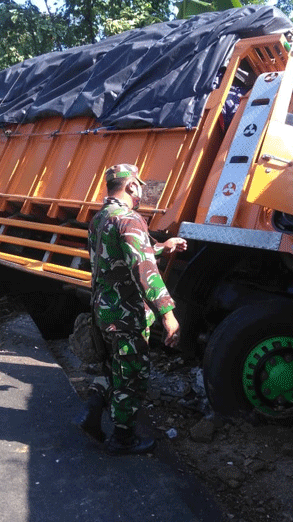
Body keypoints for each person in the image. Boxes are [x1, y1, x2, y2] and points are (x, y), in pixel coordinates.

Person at [76, 163, 187, 455]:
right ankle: (122, 439)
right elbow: (144, 269)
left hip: (104, 309)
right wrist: (168, 314)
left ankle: (91, 412)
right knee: (131, 378)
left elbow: (119, 254)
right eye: (140, 186)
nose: (141, 192)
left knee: (113, 367)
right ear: (131, 186)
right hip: (127, 314)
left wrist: (163, 246)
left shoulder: (100, 219)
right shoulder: (130, 219)